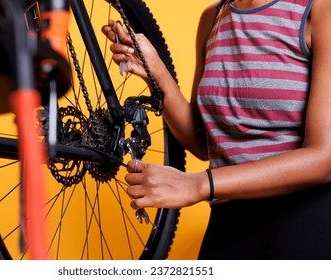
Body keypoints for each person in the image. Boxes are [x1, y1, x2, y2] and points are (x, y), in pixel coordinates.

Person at [102, 0, 331, 259]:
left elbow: (325, 157)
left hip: (306, 217)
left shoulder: (319, 11)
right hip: (228, 223)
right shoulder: (212, 18)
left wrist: (199, 184)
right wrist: (155, 73)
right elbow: (203, 142)